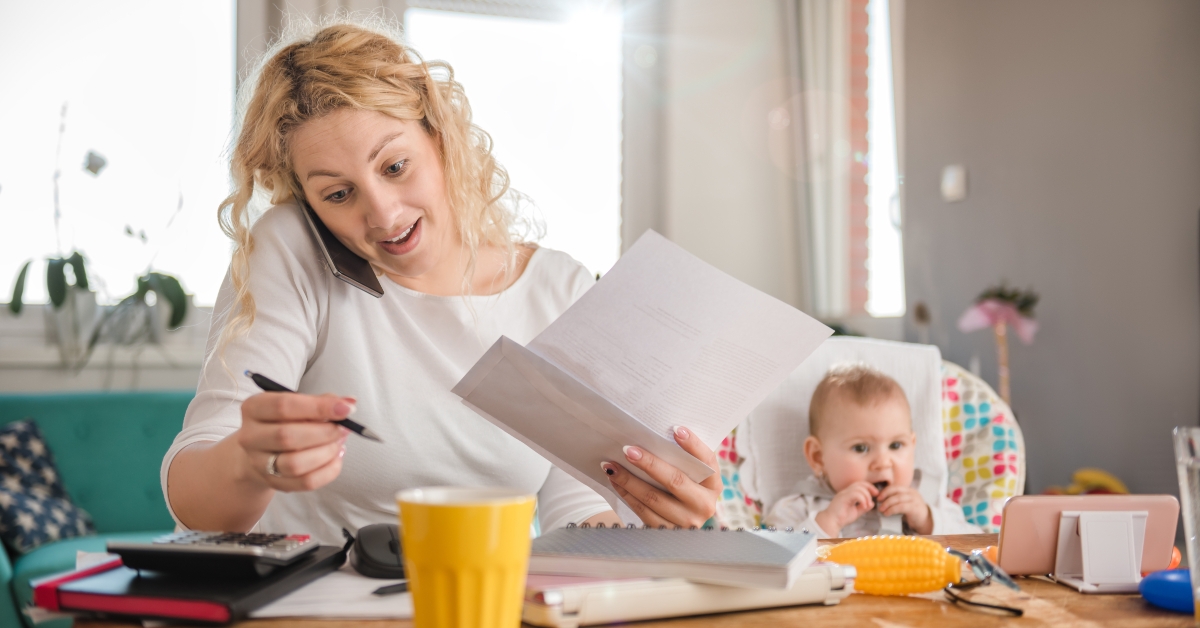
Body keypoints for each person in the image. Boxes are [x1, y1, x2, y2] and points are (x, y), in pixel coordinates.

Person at [161, 19, 719, 545]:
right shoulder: (294, 248)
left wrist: (657, 524)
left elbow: (575, 511)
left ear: (441, 138)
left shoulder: (558, 288)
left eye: (395, 167)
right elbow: (196, 496)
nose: (380, 213)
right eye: (337, 194)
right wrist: (248, 462)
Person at [763, 364, 980, 538]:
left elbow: (976, 545)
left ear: (913, 445)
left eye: (896, 445)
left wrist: (927, 520)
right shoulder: (798, 508)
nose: (883, 462)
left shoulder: (927, 499)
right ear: (818, 457)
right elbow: (772, 557)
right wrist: (827, 522)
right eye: (861, 448)